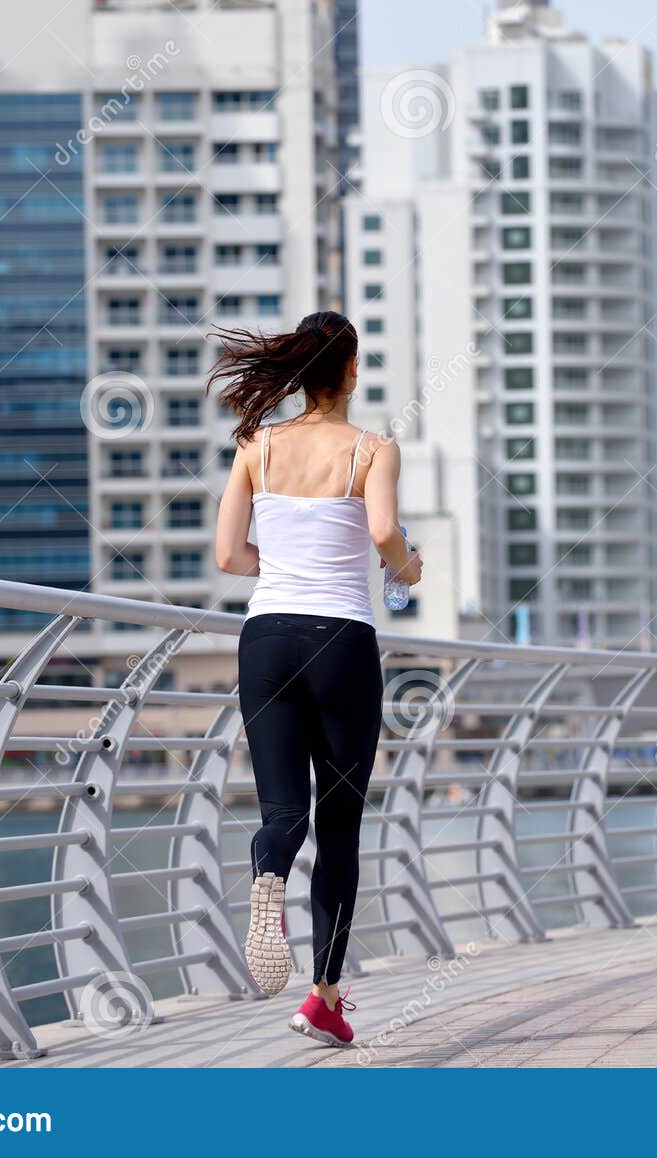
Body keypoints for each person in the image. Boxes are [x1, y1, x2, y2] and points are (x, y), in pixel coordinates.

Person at [210, 310, 422, 1047]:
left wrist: (287, 566)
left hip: (264, 637)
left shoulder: (256, 446)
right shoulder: (374, 449)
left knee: (285, 814)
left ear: (299, 371)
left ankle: (269, 862)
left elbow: (229, 556)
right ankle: (324, 998)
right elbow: (384, 533)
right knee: (338, 828)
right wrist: (408, 566)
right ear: (353, 370)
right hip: (340, 642)